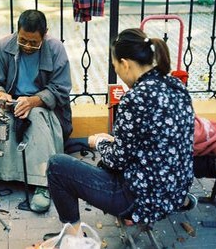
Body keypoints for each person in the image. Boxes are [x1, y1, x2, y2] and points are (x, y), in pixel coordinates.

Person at [47, 28, 196, 233]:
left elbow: (116, 159)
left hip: (142, 200)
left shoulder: (135, 98)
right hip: (175, 193)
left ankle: (73, 238)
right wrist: (115, 142)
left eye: (115, 66)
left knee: (57, 166)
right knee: (104, 163)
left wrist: (99, 142)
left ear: (125, 64)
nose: (117, 71)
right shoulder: (176, 87)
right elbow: (152, 140)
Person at [0, 9, 72, 213]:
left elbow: (61, 89)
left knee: (35, 118)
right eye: (23, 40)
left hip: (45, 108)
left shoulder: (56, 49)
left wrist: (33, 101)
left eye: (34, 42)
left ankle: (43, 184)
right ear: (17, 32)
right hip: (13, 103)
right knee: (5, 120)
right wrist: (1, 95)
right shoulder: (5, 46)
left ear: (45, 34)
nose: (28, 47)